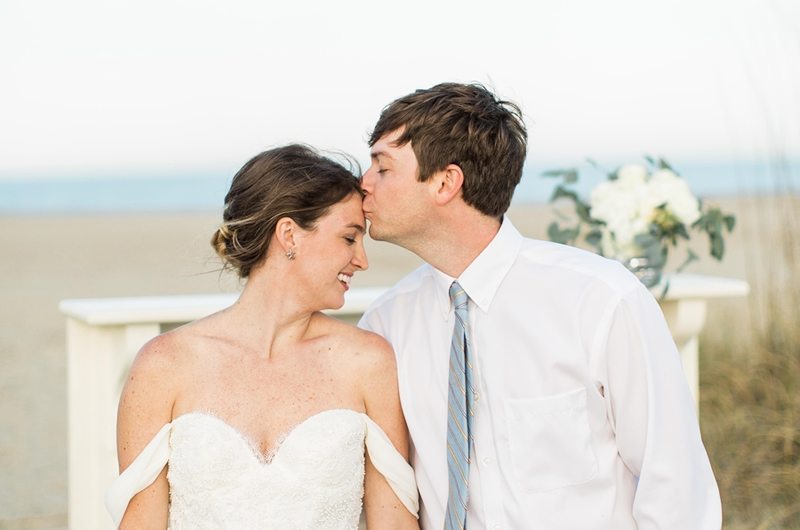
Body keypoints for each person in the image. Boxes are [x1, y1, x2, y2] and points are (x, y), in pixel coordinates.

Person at [358, 83, 722, 529]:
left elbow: (676, 490)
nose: (363, 183)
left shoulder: (601, 302)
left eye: (382, 166)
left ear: (445, 182)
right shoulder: (385, 325)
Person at [105, 144, 420, 529]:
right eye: (349, 237)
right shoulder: (164, 365)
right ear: (289, 235)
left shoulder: (368, 363)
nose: (362, 260)